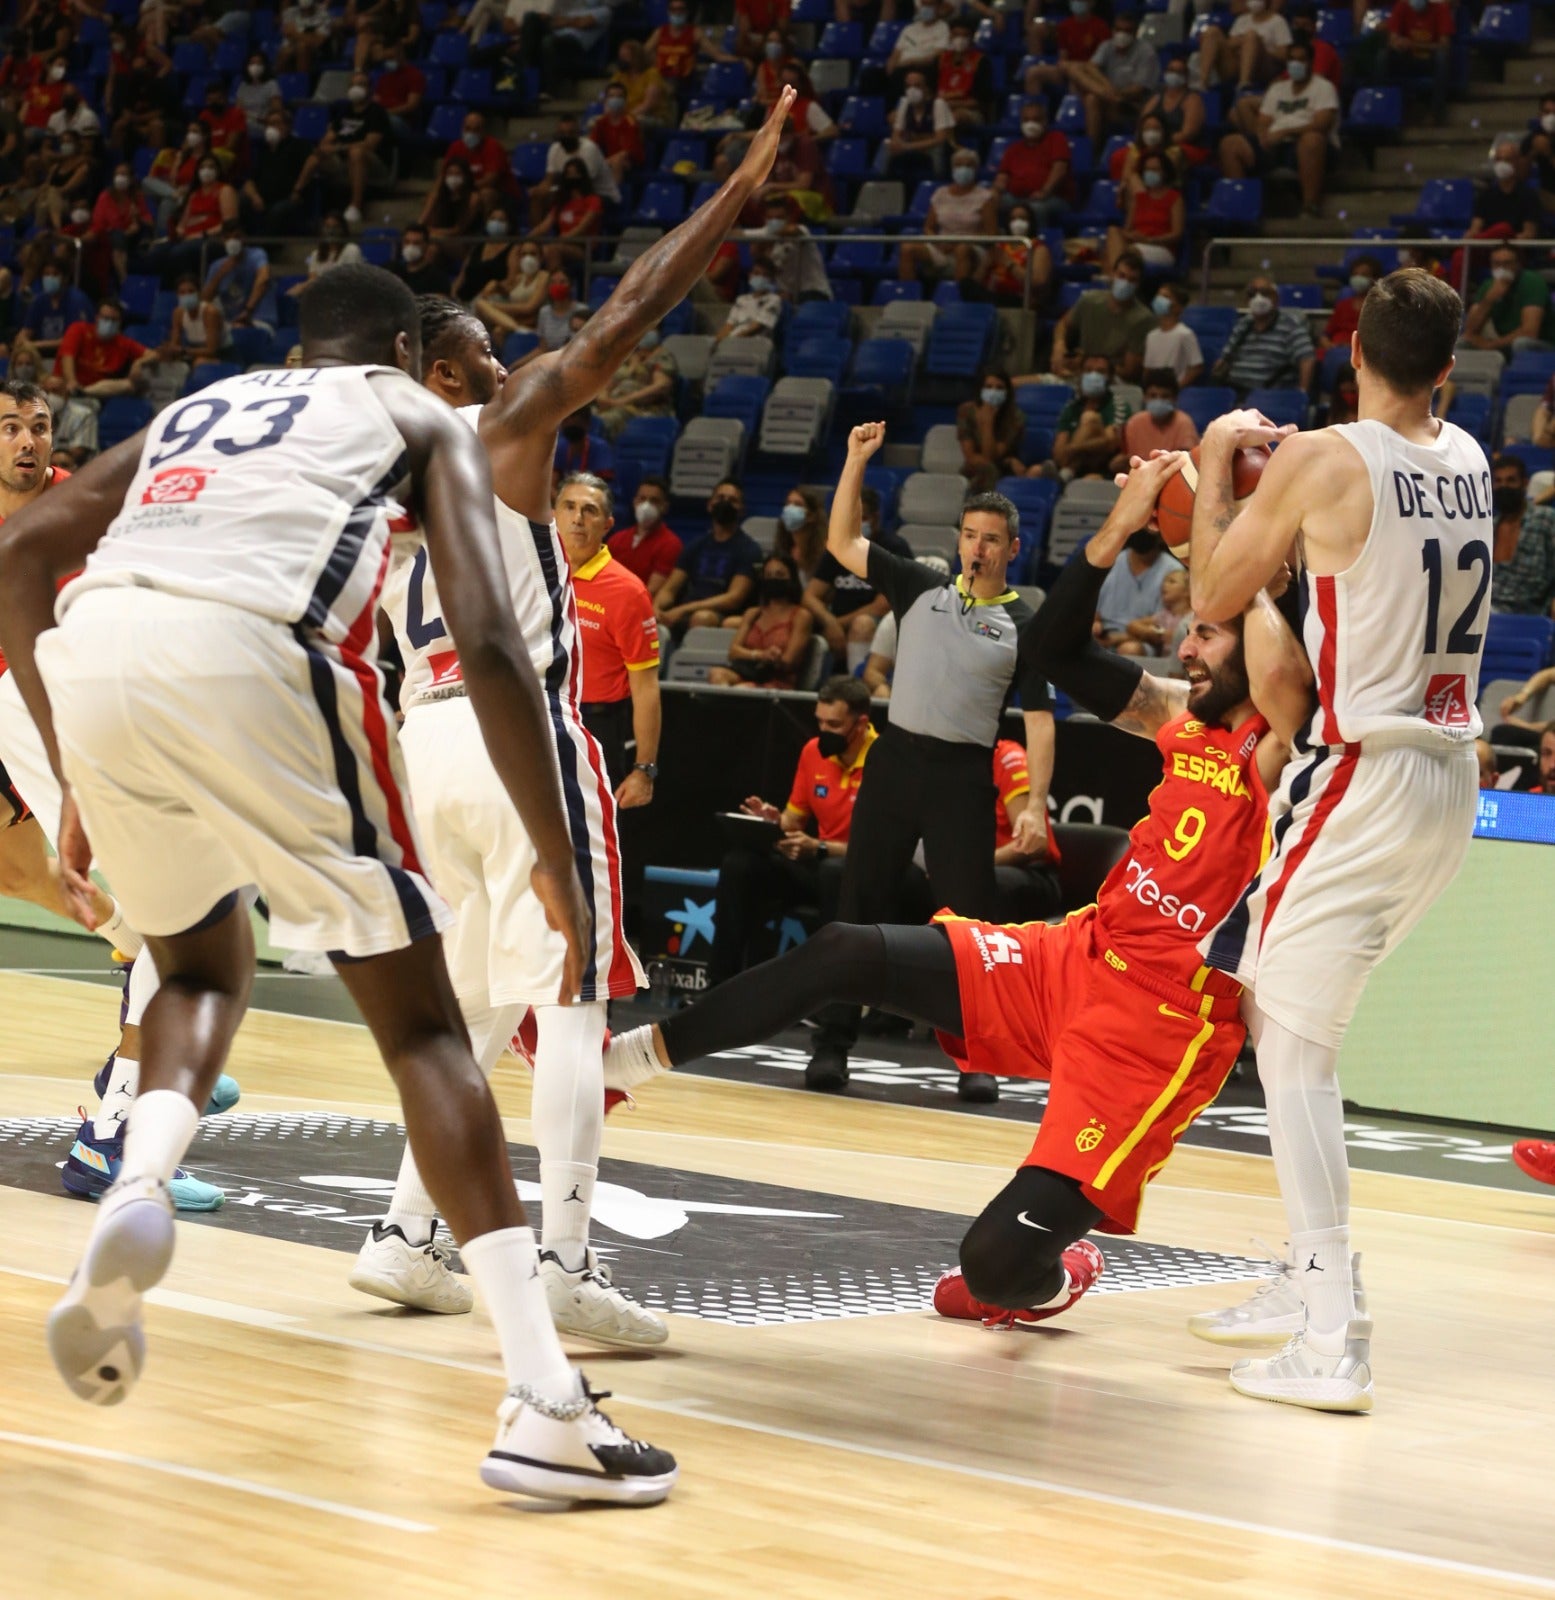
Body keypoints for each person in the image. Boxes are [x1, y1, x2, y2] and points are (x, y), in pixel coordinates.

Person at [0, 264, 676, 1497]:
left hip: (98, 646)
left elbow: (22, 548)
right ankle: (543, 1402)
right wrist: (558, 856)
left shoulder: (206, 403)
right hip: (260, 648)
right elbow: (489, 642)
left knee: (201, 965)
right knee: (425, 1029)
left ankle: (134, 1179)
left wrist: (72, 777)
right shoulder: (419, 416)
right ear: (419, 350)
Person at [603, 457, 1310, 1338]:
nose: (1187, 649)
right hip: (1074, 957)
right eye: (1192, 633)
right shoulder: (1178, 715)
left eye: (1209, 635)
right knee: (845, 950)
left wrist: (1247, 540)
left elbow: (1284, 676)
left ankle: (1056, 1271)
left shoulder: (1287, 751)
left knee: (988, 1273)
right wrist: (1119, 522)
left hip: (1159, 1032)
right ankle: (619, 1067)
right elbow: (1048, 651)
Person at [361, 93, 801, 1344]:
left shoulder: (370, 468)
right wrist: (736, 190)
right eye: (488, 351)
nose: (512, 365)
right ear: (445, 375)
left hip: (422, 742)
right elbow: (624, 319)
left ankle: (404, 1235)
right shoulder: (486, 429)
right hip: (518, 732)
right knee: (573, 1004)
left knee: (472, 1009)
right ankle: (562, 1257)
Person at [1186, 267, 1488, 1413]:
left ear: (1351, 345)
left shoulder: (1322, 455)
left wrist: (1216, 467)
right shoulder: (1464, 457)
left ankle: (1330, 1328)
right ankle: (1296, 1270)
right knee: (1273, 1008)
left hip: (1361, 773)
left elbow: (1215, 589)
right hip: (1447, 774)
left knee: (1294, 1051)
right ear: (1448, 371)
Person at [799, 423, 1056, 1102]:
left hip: (961, 775)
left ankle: (976, 1054)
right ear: (959, 540)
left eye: (991, 538)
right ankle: (831, 1042)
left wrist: (1033, 802)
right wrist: (855, 459)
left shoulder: (1023, 624)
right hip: (896, 763)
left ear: (1012, 549)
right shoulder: (918, 585)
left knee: (969, 921)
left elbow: (1037, 720)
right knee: (859, 903)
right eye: (969, 534)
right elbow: (841, 543)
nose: (977, 546)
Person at [707, 676, 870, 986]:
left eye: (833, 725)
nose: (824, 732)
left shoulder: (883, 759)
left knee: (833, 872)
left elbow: (884, 848)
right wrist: (772, 821)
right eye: (820, 722)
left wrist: (820, 847)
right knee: (739, 864)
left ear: (860, 724)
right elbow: (793, 820)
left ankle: (828, 995)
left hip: (860, 872)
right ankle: (720, 987)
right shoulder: (813, 752)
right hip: (817, 864)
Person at [555, 471, 661, 804]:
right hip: (535, 716)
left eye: (590, 510)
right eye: (569, 507)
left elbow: (645, 687)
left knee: (591, 842)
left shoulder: (627, 591)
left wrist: (645, 769)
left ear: (607, 524)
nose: (577, 518)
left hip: (596, 727)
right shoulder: (531, 572)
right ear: (552, 515)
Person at [1217, 40, 1339, 219]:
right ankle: (1241, 209)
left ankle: (1310, 206)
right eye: (1292, 60)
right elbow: (1264, 120)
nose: (1296, 64)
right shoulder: (1277, 89)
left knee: (1312, 139)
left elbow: (1322, 124)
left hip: (1310, 145)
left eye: (1301, 60)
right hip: (1276, 144)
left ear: (1311, 62)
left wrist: (1286, 132)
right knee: (1230, 144)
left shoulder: (1323, 87)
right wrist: (1262, 135)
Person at [804, 490, 910, 671]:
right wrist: (829, 622)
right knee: (801, 619)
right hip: (837, 623)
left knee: (861, 624)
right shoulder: (838, 547)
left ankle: (857, 685)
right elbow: (810, 596)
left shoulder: (893, 547)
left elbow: (882, 605)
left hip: (878, 625)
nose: (856, 523)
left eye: (863, 517)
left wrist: (837, 625)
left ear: (876, 517)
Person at [654, 487, 763, 633]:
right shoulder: (696, 545)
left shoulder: (749, 549)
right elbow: (670, 588)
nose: (725, 503)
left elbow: (734, 598)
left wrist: (683, 609)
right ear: (710, 505)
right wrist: (656, 608)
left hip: (720, 614)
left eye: (732, 500)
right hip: (686, 610)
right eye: (720, 498)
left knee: (701, 618)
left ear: (742, 509)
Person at [297, 71, 395, 228]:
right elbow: (328, 138)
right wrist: (325, 147)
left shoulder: (377, 112)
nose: (357, 87)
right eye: (354, 84)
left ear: (370, 89)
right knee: (316, 155)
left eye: (361, 84)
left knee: (356, 153)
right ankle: (296, 194)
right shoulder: (344, 110)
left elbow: (369, 144)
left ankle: (355, 206)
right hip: (342, 159)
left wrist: (337, 147)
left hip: (372, 163)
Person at [709, 552, 814, 688]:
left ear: (792, 579)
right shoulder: (753, 613)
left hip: (778, 681)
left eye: (779, 575)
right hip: (748, 673)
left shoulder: (801, 616)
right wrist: (760, 655)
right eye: (768, 575)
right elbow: (733, 652)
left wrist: (774, 657)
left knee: (743, 689)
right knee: (716, 674)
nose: (773, 579)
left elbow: (789, 661)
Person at [1050, 251, 1153, 382]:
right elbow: (1063, 324)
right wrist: (1059, 346)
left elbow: (1129, 372)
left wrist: (1090, 366)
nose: (1125, 283)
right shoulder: (1089, 300)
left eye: (1132, 280)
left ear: (1138, 285)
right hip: (1079, 372)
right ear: (1112, 274)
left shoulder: (1143, 319)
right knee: (1018, 384)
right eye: (1121, 276)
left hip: (1113, 379)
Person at [1064, 10, 1160, 147]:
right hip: (1110, 98)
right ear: (1113, 30)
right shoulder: (1107, 45)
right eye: (1118, 29)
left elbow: (1139, 89)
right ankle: (1092, 150)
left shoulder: (1146, 51)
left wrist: (1116, 94)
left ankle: (1092, 148)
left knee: (1092, 97)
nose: (1122, 34)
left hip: (1132, 104)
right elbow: (1091, 67)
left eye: (1127, 30)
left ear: (1136, 31)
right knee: (1076, 74)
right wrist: (1107, 89)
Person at [1213, 277, 1317, 396]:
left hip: (1270, 394)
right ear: (1246, 300)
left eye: (1265, 293)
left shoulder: (1291, 325)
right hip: (1235, 391)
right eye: (1252, 294)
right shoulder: (1243, 324)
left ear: (1276, 298)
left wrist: (1301, 394)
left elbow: (1307, 359)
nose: (1258, 298)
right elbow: (1225, 358)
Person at [1095, 523, 1183, 652]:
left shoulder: (1174, 573)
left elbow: (1164, 628)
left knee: (1129, 649)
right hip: (1105, 634)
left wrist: (1118, 638)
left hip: (1143, 641)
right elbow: (1095, 610)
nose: (1141, 530)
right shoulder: (1112, 560)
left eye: (1147, 527)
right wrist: (1095, 625)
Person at [1488, 452, 1555, 616]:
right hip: (1485, 612)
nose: (1504, 486)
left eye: (1511, 480)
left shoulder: (1546, 519)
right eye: (1498, 481)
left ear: (1524, 484)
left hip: (1530, 614)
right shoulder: (1487, 527)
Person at [1462, 243, 1553, 357]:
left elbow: (1529, 332)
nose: (1502, 268)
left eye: (1507, 263)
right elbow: (1469, 331)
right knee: (1462, 343)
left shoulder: (1532, 282)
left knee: (1521, 343)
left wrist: (1491, 345)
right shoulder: (1488, 285)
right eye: (1496, 264)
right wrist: (1489, 300)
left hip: (1542, 345)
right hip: (1503, 342)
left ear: (1518, 264)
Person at [1052, 353, 1132, 479]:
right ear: (1081, 375)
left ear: (1110, 377)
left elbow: (1110, 443)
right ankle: (1068, 471)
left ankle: (1067, 471)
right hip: (1068, 464)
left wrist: (1073, 448)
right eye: (1088, 371)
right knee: (1035, 471)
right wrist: (1069, 451)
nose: (1093, 375)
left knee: (1090, 418)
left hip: (1102, 468)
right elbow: (1059, 451)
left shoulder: (1118, 405)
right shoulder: (1071, 407)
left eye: (1100, 371)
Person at [993, 99, 1071, 224]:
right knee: (991, 203)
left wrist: (1045, 191)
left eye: (1036, 119)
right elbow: (1003, 176)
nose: (1031, 124)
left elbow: (1059, 169)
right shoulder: (1013, 149)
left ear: (1045, 121)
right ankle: (997, 240)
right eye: (1026, 120)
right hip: (1017, 197)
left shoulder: (1056, 139)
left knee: (1036, 208)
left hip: (1051, 198)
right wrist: (996, 192)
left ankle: (1037, 242)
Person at [1104, 150, 1185, 272]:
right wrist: (1133, 236)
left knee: (1127, 253)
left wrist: (1150, 240)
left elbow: (1177, 234)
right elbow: (1127, 230)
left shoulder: (1175, 198)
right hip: (1136, 244)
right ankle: (1116, 279)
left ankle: (1114, 280)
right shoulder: (1139, 199)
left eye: (1155, 169)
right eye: (1148, 170)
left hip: (1162, 249)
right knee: (1112, 231)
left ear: (1165, 173)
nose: (1150, 173)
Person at [593, 327, 677, 438]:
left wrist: (622, 401)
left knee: (607, 421)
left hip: (642, 408)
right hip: (612, 402)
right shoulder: (629, 356)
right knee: (585, 417)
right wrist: (603, 397)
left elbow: (661, 386)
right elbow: (612, 379)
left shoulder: (661, 357)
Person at [607, 474, 682, 597]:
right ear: (634, 501)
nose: (646, 506)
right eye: (642, 499)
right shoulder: (617, 539)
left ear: (665, 507)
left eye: (654, 501)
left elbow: (651, 591)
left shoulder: (670, 544)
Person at [1194, 0, 1291, 93]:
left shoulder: (1278, 21)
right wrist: (1242, 41)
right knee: (1212, 31)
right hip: (1235, 64)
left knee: (1251, 36)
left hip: (1263, 67)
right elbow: (1230, 44)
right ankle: (1203, 82)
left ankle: (1244, 83)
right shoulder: (1242, 20)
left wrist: (1259, 46)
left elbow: (1283, 54)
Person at [957, 370, 1027, 491]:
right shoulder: (966, 411)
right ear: (981, 390)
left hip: (1003, 467)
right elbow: (970, 455)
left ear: (1007, 392)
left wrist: (988, 424)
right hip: (975, 467)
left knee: (990, 469)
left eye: (999, 388)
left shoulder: (1016, 417)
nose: (993, 392)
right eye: (989, 387)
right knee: (986, 469)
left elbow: (992, 456)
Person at [883, 70, 956, 186]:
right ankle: (887, 187)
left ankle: (937, 184)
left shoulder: (938, 104)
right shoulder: (904, 103)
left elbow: (940, 139)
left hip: (931, 148)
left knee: (939, 150)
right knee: (887, 147)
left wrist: (909, 146)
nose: (912, 90)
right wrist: (897, 144)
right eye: (908, 86)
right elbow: (896, 134)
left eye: (917, 85)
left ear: (926, 88)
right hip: (911, 148)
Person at [204, 219, 275, 332]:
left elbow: (263, 279)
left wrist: (247, 310)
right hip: (231, 324)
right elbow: (204, 300)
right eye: (227, 237)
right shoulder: (216, 266)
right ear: (222, 240)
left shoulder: (257, 254)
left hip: (260, 320)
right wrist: (220, 274)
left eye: (237, 237)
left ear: (244, 238)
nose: (232, 241)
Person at [1384, 0, 1453, 115]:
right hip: (1408, 59)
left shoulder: (1441, 8)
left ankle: (1437, 111)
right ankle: (1384, 107)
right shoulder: (1402, 6)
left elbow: (1444, 45)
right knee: (1384, 56)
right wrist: (1397, 43)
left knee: (1442, 58)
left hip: (1429, 61)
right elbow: (1392, 39)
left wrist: (1413, 45)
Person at [1122, 367, 1200, 460]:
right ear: (1144, 398)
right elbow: (1130, 460)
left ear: (1175, 399)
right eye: (1153, 396)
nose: (1158, 400)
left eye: (1165, 396)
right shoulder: (1134, 423)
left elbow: (1186, 463)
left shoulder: (1183, 423)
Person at [1318, 255, 1382, 355]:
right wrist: (1330, 346)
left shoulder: (1379, 307)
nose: (1358, 278)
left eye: (1363, 275)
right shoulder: (1343, 305)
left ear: (1374, 279)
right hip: (1336, 350)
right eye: (1355, 274)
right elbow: (1326, 335)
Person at [1144, 280, 1204, 386]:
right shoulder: (1151, 336)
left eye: (1166, 297)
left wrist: (1177, 388)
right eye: (1159, 295)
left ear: (1179, 306)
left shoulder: (1185, 334)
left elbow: (1196, 367)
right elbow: (1148, 369)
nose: (1159, 300)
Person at [716, 255, 784, 341]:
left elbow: (756, 328)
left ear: (772, 280)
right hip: (733, 342)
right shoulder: (741, 299)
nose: (761, 278)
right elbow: (729, 325)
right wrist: (716, 342)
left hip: (756, 345)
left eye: (765, 275)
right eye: (756, 273)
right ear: (750, 275)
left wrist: (731, 340)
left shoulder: (774, 299)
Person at [774, 486, 825, 583]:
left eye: (797, 504)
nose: (790, 508)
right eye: (788, 503)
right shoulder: (782, 547)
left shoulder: (824, 551)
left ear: (811, 516)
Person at [391, 223, 454, 297]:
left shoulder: (438, 279)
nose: (410, 247)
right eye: (407, 242)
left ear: (426, 245)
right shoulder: (393, 271)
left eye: (416, 243)